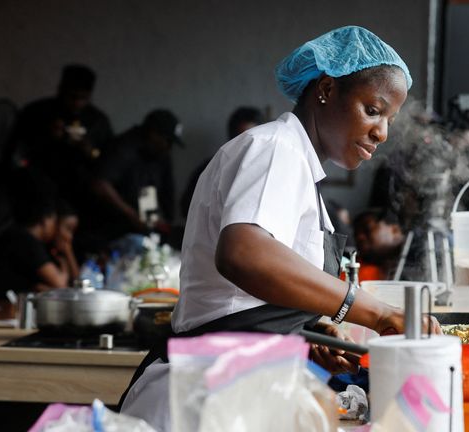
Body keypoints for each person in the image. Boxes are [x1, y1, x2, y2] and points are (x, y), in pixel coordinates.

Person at [119, 26, 437, 431]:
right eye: (373, 110)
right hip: (205, 399)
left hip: (235, 391)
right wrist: (373, 311)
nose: (382, 132)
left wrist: (304, 331)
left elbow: (246, 298)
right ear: (325, 88)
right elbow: (244, 253)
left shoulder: (300, 170)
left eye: (389, 119)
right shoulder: (275, 148)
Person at [14, 65, 113, 215]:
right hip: (36, 188)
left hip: (80, 197)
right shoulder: (38, 112)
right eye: (73, 97)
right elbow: (16, 151)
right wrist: (47, 138)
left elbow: (107, 162)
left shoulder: (98, 122)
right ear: (61, 90)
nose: (78, 103)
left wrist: (90, 151)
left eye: (84, 98)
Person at [88, 109, 182, 243]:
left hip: (136, 230)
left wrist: (152, 218)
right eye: (168, 141)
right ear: (154, 134)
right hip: (106, 227)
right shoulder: (125, 148)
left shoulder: (158, 154)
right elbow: (100, 184)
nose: (169, 147)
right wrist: (132, 215)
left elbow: (147, 187)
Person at [0, 170, 73, 293]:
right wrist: (67, 252)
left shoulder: (20, 237)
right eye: (54, 222)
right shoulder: (26, 242)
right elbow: (60, 283)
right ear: (45, 220)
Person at [180, 106, 264, 219]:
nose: (247, 144)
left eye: (253, 138)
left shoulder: (266, 169)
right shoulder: (212, 167)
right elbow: (188, 207)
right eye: (241, 137)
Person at [353, 208, 404, 281]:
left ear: (395, 230)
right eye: (356, 234)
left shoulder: (418, 259)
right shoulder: (355, 268)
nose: (360, 237)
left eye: (367, 230)